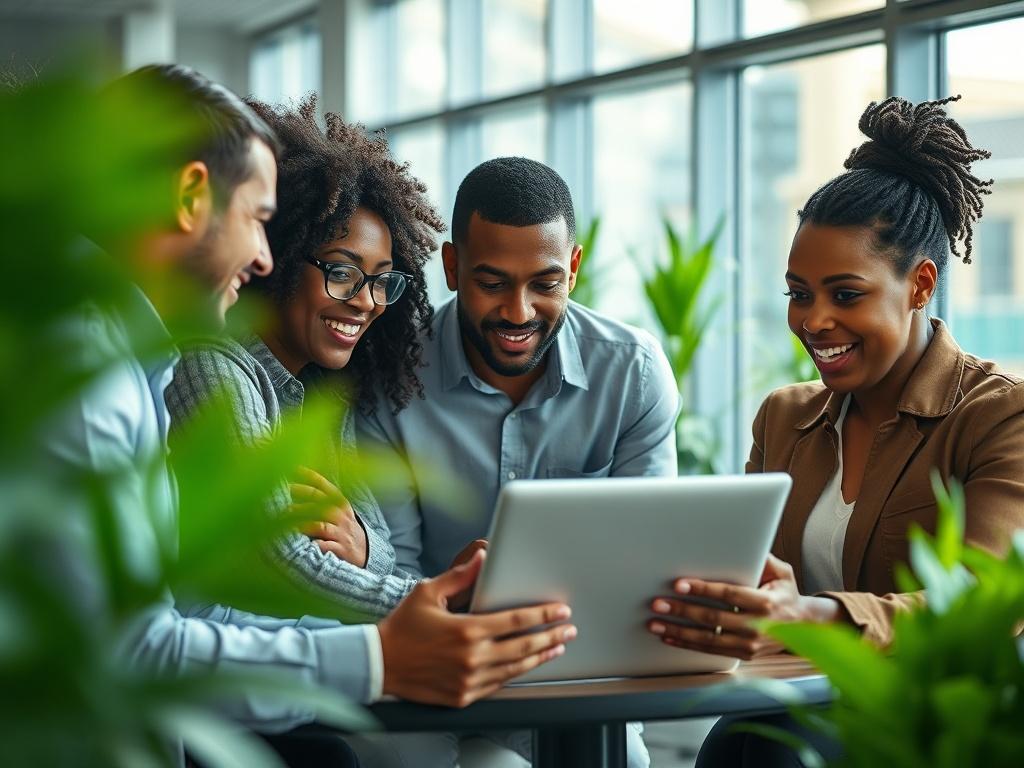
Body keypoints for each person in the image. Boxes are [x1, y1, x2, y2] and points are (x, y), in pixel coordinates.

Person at [41, 65, 574, 768]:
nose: (260, 257)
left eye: (380, 280)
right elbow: (166, 631)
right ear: (192, 196)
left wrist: (381, 583)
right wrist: (405, 625)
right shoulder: (113, 369)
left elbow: (361, 544)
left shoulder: (162, 364)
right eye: (259, 222)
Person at [640, 96, 1024, 767]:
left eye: (845, 294)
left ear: (920, 284)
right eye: (798, 292)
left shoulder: (997, 415)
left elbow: (980, 611)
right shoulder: (784, 418)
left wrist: (817, 618)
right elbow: (754, 579)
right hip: (783, 709)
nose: (814, 321)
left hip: (925, 730)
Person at [356, 156, 679, 767]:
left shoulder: (631, 373)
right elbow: (386, 575)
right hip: (430, 670)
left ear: (574, 270)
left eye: (545, 283)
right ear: (452, 269)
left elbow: (646, 567)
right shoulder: (388, 378)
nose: (519, 312)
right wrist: (448, 595)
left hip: (578, 666)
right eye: (493, 281)